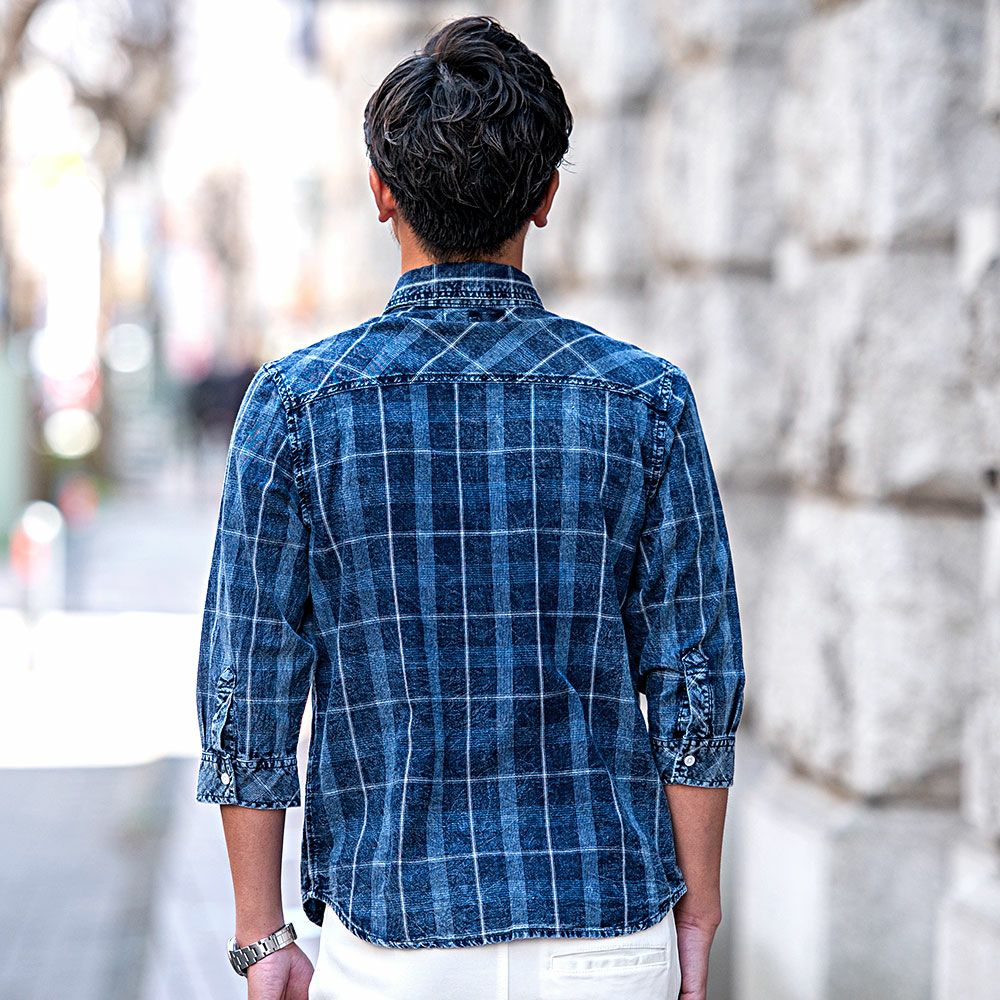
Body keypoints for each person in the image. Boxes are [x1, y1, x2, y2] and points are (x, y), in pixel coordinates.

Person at [195, 14, 746, 1000]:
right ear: (546, 197)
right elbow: (696, 678)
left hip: (393, 935)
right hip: (607, 927)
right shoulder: (646, 400)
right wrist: (698, 904)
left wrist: (258, 931)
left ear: (380, 193)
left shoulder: (294, 407)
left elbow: (248, 685)